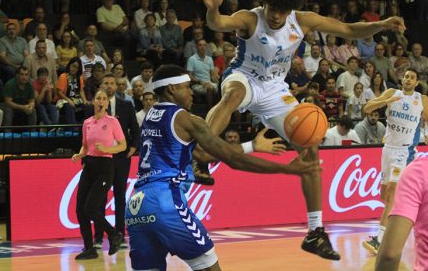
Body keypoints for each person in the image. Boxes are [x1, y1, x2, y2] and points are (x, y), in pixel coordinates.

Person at [200, 0, 405, 260]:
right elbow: (218, 24)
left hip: (275, 90)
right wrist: (213, 9)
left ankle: (315, 232)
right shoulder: (250, 18)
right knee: (232, 95)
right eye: (272, 9)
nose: (276, 16)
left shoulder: (303, 20)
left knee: (310, 151)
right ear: (265, 3)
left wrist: (381, 24)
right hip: (243, 77)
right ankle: (200, 155)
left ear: (291, 9)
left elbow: (347, 28)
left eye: (283, 12)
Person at [126, 65, 318, 270]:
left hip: (137, 206)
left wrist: (251, 146)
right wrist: (287, 169)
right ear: (172, 89)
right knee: (208, 265)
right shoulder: (186, 119)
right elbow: (232, 160)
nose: (192, 92)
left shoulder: (150, 116)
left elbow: (201, 154)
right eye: (187, 86)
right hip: (166, 202)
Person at [362, 69, 428, 255]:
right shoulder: (392, 93)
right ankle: (410, 218)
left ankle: (379, 240)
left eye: (411, 78)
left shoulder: (421, 99)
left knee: (391, 195)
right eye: (406, 76)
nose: (407, 79)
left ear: (416, 83)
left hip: (405, 152)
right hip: (388, 150)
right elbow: (367, 109)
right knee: (386, 197)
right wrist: (385, 102)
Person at [71, 89, 126, 260]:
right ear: (93, 101)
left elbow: (123, 145)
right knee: (80, 210)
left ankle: (113, 234)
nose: (100, 101)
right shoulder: (87, 122)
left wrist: (108, 149)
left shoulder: (112, 122)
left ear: (107, 103)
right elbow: (85, 146)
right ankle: (89, 249)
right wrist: (79, 154)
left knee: (90, 208)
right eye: (98, 98)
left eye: (104, 99)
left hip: (105, 167)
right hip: (89, 166)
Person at [93, 73, 139, 249]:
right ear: (101, 85)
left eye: (112, 83)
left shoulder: (126, 105)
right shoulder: (95, 106)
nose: (110, 86)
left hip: (120, 157)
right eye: (106, 83)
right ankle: (98, 237)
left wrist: (133, 148)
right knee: (99, 198)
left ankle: (119, 236)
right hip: (101, 158)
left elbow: (135, 129)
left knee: (120, 197)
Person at [375, 154, 428, 270]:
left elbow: (389, 255)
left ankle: (380, 236)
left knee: (389, 197)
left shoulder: (419, 170)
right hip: (395, 155)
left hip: (400, 156)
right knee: (388, 195)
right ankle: (379, 236)